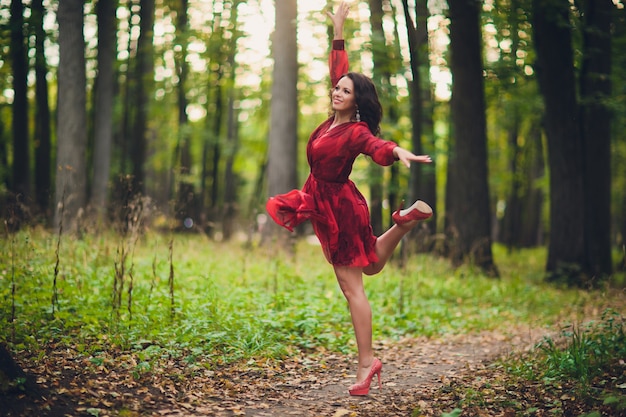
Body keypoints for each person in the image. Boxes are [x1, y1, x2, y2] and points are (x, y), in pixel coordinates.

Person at [266, 1, 433, 396]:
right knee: (370, 266)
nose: (337, 91)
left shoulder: (355, 131)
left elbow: (376, 146)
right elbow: (338, 68)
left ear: (358, 101)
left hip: (339, 207)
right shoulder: (329, 124)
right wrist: (338, 30)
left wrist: (397, 152)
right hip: (329, 203)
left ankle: (366, 364)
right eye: (337, 88)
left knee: (351, 285)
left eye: (345, 91)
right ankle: (403, 223)